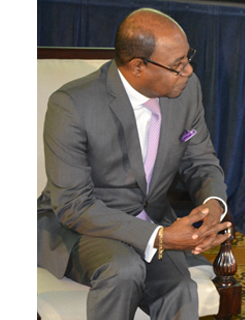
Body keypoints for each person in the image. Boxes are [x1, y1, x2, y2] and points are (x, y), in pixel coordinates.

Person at [37, 8, 231, 320]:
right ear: (138, 66)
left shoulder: (186, 92)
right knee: (123, 269)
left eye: (188, 57)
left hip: (152, 220)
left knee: (180, 289)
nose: (190, 71)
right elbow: (72, 204)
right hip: (82, 228)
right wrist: (160, 238)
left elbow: (201, 161)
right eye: (178, 65)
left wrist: (212, 204)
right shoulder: (71, 104)